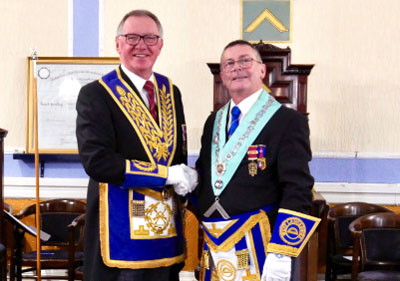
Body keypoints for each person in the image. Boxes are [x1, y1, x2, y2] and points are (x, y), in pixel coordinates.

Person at [76, 9, 197, 281]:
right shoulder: (96, 94)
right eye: (132, 37)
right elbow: (97, 162)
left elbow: (178, 153)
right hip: (120, 235)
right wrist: (167, 175)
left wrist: (184, 178)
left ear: (160, 45)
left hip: (166, 232)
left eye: (150, 38)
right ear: (118, 44)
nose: (141, 45)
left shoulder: (171, 91)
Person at [192, 40, 320, 281]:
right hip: (214, 241)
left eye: (245, 61)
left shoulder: (288, 121)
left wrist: (282, 251)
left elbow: (298, 189)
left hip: (261, 242)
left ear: (262, 70)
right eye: (229, 63)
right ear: (222, 74)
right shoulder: (214, 121)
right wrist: (187, 180)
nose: (237, 67)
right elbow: (208, 175)